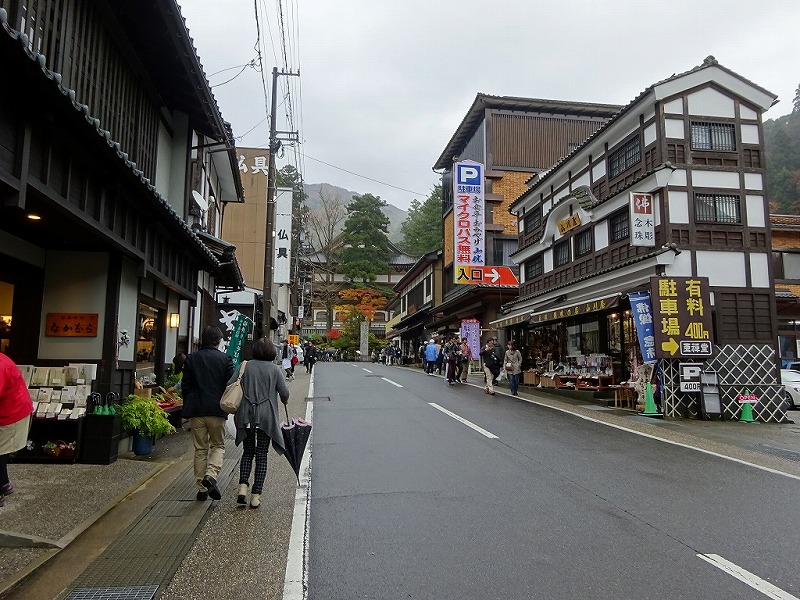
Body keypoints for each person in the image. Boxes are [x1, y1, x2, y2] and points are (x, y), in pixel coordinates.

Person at [233, 337, 289, 508]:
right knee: (262, 455)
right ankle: (256, 496)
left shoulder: (245, 366)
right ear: (272, 352)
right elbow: (284, 393)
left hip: (246, 415)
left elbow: (231, 384)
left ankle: (243, 486)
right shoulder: (275, 369)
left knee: (248, 452)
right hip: (266, 418)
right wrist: (283, 399)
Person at [181, 326, 234, 501]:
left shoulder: (191, 358)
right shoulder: (225, 359)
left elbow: (186, 385)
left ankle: (201, 488)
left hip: (197, 410)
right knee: (218, 445)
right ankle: (211, 475)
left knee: (200, 449)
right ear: (218, 341)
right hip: (217, 410)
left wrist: (190, 402)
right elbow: (230, 385)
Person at [0, 353, 34, 508]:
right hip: (9, 409)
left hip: (11, 412)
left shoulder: (1, 364)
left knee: (1, 449)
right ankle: (4, 483)